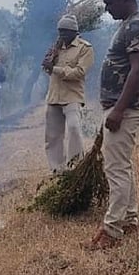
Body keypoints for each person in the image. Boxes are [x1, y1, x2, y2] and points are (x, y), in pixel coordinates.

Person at [84, 0, 139, 251]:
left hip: (125, 110)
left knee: (115, 170)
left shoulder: (137, 26)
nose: (107, 8)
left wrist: (118, 110)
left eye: (109, 2)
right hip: (121, 108)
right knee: (121, 166)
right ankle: (130, 219)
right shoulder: (130, 24)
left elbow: (137, 70)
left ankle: (112, 231)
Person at [42, 14, 95, 173]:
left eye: (65, 31)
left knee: (74, 129)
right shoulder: (56, 48)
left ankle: (75, 167)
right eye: (60, 31)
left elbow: (79, 72)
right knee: (52, 136)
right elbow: (48, 71)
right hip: (54, 97)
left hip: (72, 97)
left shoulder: (85, 48)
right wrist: (47, 64)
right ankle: (57, 171)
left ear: (74, 32)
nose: (62, 35)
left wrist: (55, 69)